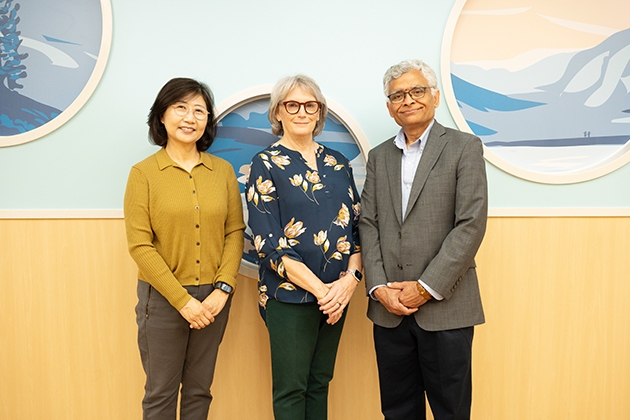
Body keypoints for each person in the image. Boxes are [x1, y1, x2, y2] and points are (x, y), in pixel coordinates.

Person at [358, 59, 488, 420]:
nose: (408, 100)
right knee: (398, 411)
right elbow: (368, 223)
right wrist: (378, 288)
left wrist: (425, 287)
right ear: (389, 107)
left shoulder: (464, 147)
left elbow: (470, 225)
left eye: (417, 91)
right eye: (398, 95)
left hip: (446, 307)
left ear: (435, 97)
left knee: (451, 412)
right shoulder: (379, 156)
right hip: (389, 310)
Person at [124, 77, 245, 420]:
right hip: (162, 300)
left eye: (199, 111)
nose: (190, 118)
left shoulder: (222, 171)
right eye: (180, 108)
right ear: (162, 116)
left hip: (213, 299)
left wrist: (223, 289)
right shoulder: (143, 174)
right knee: (160, 393)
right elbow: (140, 245)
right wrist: (183, 301)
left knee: (199, 391)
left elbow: (234, 232)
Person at [245, 74, 362, 420]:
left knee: (319, 383)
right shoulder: (265, 164)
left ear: (319, 112)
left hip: (337, 296)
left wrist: (349, 282)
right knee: (291, 389)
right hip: (289, 297)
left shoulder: (338, 163)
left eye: (310, 105)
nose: (302, 112)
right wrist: (324, 293)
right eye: (292, 105)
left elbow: (357, 229)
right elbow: (269, 244)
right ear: (278, 112)